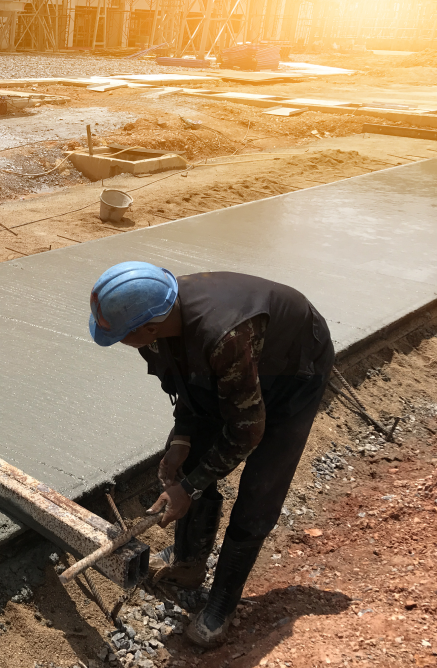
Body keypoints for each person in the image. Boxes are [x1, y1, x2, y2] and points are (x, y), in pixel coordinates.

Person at [88, 262, 334, 648]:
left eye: (120, 336)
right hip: (242, 365)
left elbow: (248, 430)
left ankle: (222, 603)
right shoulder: (157, 324)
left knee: (260, 489)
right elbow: (189, 385)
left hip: (292, 372)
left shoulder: (224, 335)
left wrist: (189, 487)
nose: (120, 342)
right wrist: (182, 439)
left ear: (147, 327)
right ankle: (188, 563)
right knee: (189, 459)